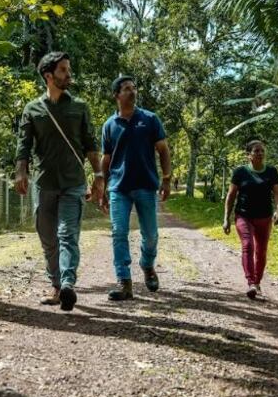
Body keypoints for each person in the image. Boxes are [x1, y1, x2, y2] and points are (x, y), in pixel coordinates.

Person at [15, 52, 104, 311]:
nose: (69, 75)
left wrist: (99, 176)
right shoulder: (32, 109)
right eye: (63, 70)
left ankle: (66, 285)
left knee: (67, 234)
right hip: (44, 183)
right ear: (48, 75)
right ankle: (56, 284)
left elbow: (90, 144)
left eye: (68, 69)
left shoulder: (79, 107)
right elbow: (24, 144)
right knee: (48, 237)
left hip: (73, 182)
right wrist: (21, 172)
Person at [99, 76, 171, 301]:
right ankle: (124, 282)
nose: (132, 92)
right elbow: (106, 159)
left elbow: (163, 149)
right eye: (127, 89)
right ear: (116, 95)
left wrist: (166, 178)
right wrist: (102, 188)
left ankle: (147, 265)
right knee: (119, 232)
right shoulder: (109, 125)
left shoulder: (150, 119)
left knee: (150, 235)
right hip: (118, 188)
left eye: (134, 88)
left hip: (146, 186)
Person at [222, 140, 278, 299]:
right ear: (248, 155)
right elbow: (231, 196)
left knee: (261, 251)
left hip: (264, 217)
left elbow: (277, 193)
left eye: (262, 150)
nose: (260, 153)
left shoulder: (271, 171)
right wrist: (226, 218)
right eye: (256, 151)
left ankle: (257, 282)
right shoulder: (240, 172)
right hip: (244, 215)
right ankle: (250, 283)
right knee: (248, 245)